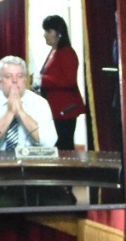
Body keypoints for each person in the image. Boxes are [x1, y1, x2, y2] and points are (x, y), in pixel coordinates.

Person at [0, 56, 56, 153]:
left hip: (31, 160)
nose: (15, 80)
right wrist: (10, 113)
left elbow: (49, 143)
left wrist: (21, 112)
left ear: (25, 80)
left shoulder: (40, 103)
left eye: (20, 76)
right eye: (8, 76)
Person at [34, 14, 87, 151]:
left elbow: (69, 81)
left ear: (59, 33)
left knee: (64, 146)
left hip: (65, 110)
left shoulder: (67, 53)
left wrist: (42, 80)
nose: (45, 35)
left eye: (48, 31)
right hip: (55, 109)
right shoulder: (54, 51)